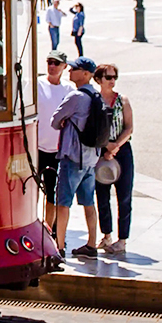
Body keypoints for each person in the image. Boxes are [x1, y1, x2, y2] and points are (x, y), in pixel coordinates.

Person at [50, 56, 104, 257]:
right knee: (89, 202)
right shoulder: (96, 96)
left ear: (86, 74)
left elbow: (54, 121)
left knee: (63, 202)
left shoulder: (76, 97)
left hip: (73, 157)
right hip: (91, 158)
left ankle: (60, 246)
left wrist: (65, 122)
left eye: (74, 69)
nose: (70, 71)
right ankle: (91, 244)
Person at [92, 63, 135, 255]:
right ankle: (106, 235)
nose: (112, 81)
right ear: (99, 79)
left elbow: (129, 127)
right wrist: (105, 146)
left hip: (122, 151)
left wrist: (115, 146)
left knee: (124, 196)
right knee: (102, 195)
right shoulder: (94, 100)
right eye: (108, 77)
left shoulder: (122, 100)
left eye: (114, 77)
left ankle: (122, 239)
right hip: (101, 150)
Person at [36, 50, 75, 234]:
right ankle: (32, 225)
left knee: (52, 192)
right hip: (37, 148)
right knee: (31, 189)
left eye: (56, 63)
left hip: (57, 150)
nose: (52, 66)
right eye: (49, 62)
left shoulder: (69, 89)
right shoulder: (37, 84)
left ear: (64, 67)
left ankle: (49, 229)